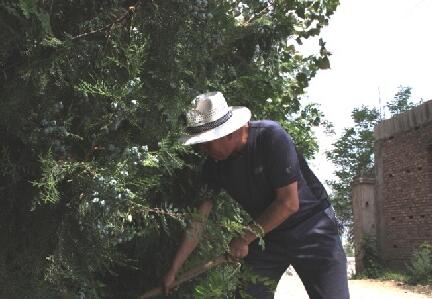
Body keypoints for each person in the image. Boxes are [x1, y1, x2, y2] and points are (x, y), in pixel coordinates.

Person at [163, 92, 350, 299]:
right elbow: (198, 221)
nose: (202, 149)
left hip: (313, 228)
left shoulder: (270, 137)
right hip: (268, 236)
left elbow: (288, 204)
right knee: (248, 295)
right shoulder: (213, 166)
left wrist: (244, 238)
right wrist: (174, 270)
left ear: (229, 133)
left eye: (207, 142)